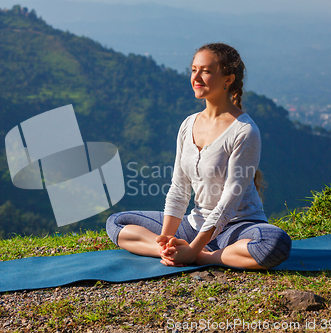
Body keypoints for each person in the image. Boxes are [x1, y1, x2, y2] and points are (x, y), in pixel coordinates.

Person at [106, 43, 291, 269]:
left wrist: (194, 251)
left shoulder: (244, 131)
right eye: (194, 70)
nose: (197, 77)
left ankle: (204, 256)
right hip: (195, 224)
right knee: (117, 222)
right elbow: (178, 189)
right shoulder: (188, 124)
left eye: (206, 71)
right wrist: (166, 240)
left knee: (275, 243)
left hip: (236, 227)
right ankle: (171, 252)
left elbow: (227, 205)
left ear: (228, 79)